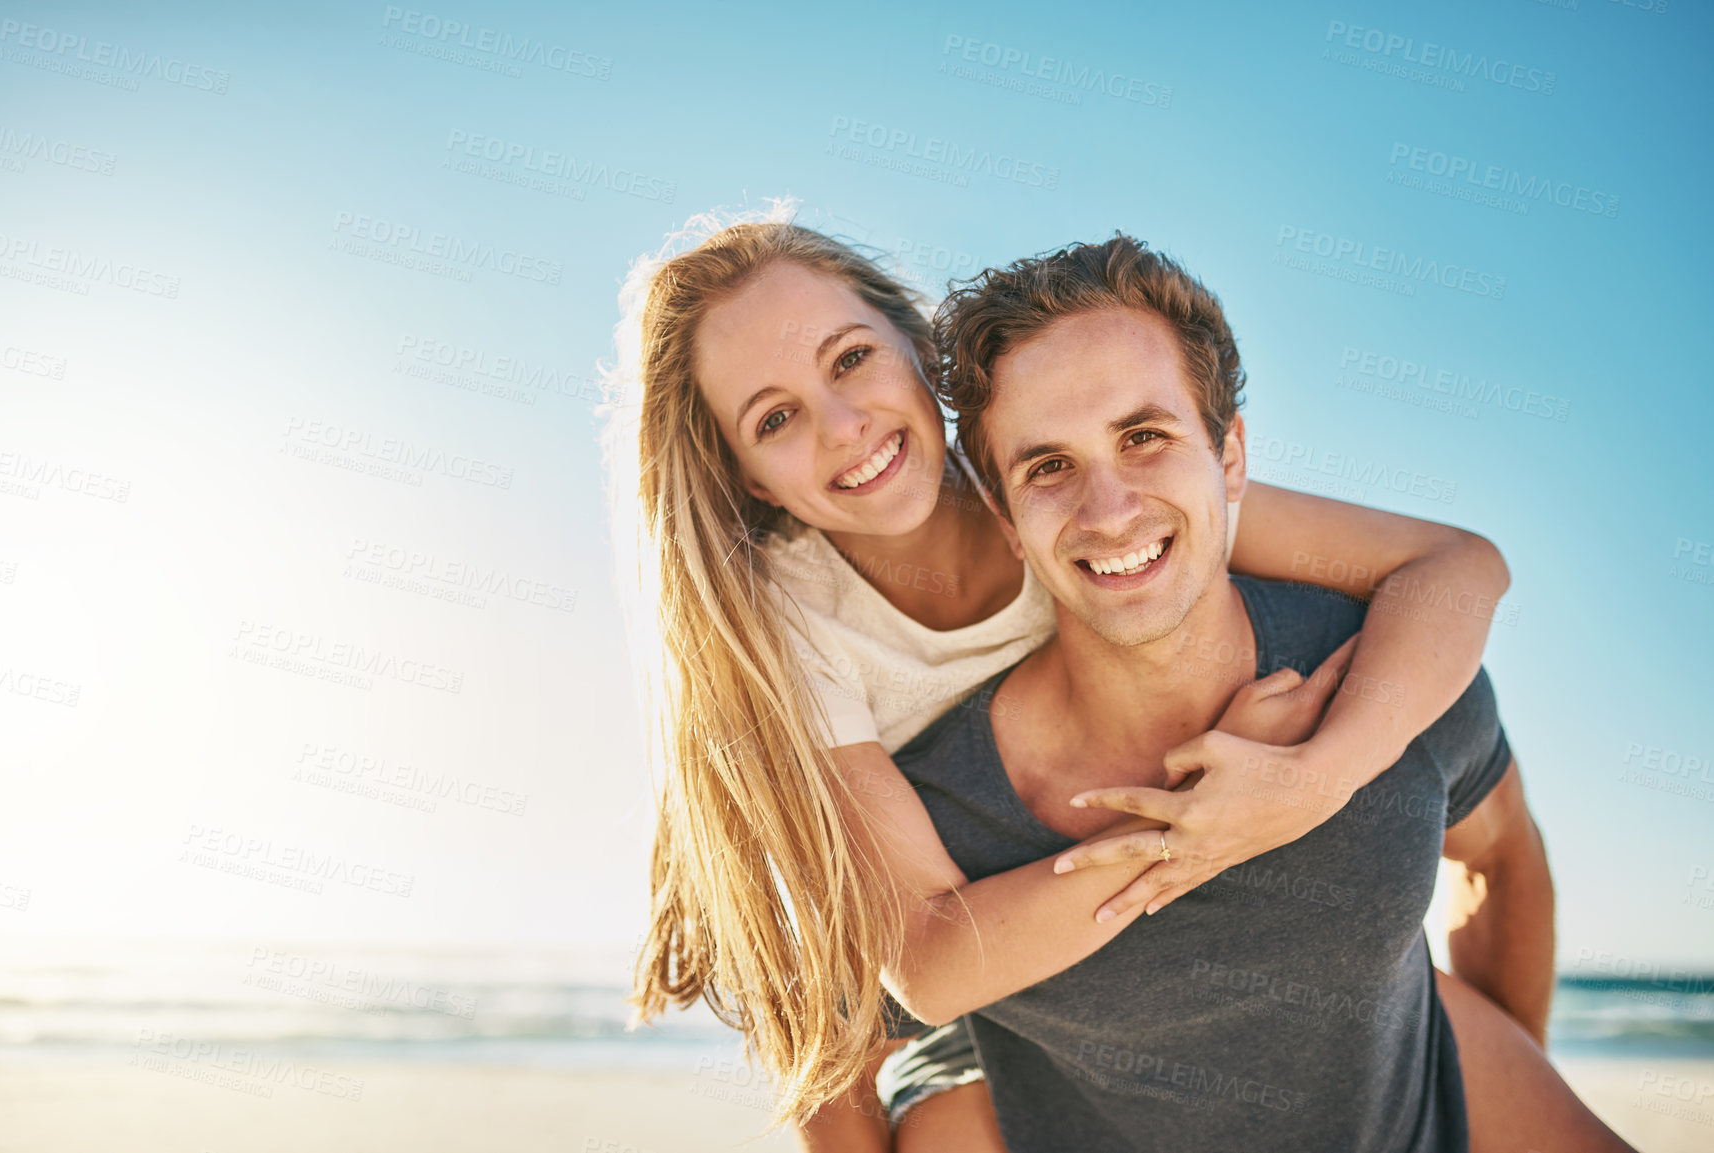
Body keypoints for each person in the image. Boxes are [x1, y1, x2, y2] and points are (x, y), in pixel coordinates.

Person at [603, 209, 1521, 1147]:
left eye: (849, 360)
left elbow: (1454, 567)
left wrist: (1316, 772)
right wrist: (1207, 813)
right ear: (751, 479)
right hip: (944, 950)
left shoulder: (1076, 484)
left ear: (918, 350)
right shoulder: (790, 629)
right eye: (776, 417)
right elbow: (917, 965)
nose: (844, 428)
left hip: (1121, 935)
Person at [856, 232, 1629, 1151]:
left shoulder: (1372, 669)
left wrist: (1495, 1080)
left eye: (1143, 437)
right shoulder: (934, 807)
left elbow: (1501, 858)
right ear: (1005, 517)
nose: (1109, 512)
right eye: (1048, 466)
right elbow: (834, 1057)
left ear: (1228, 459)